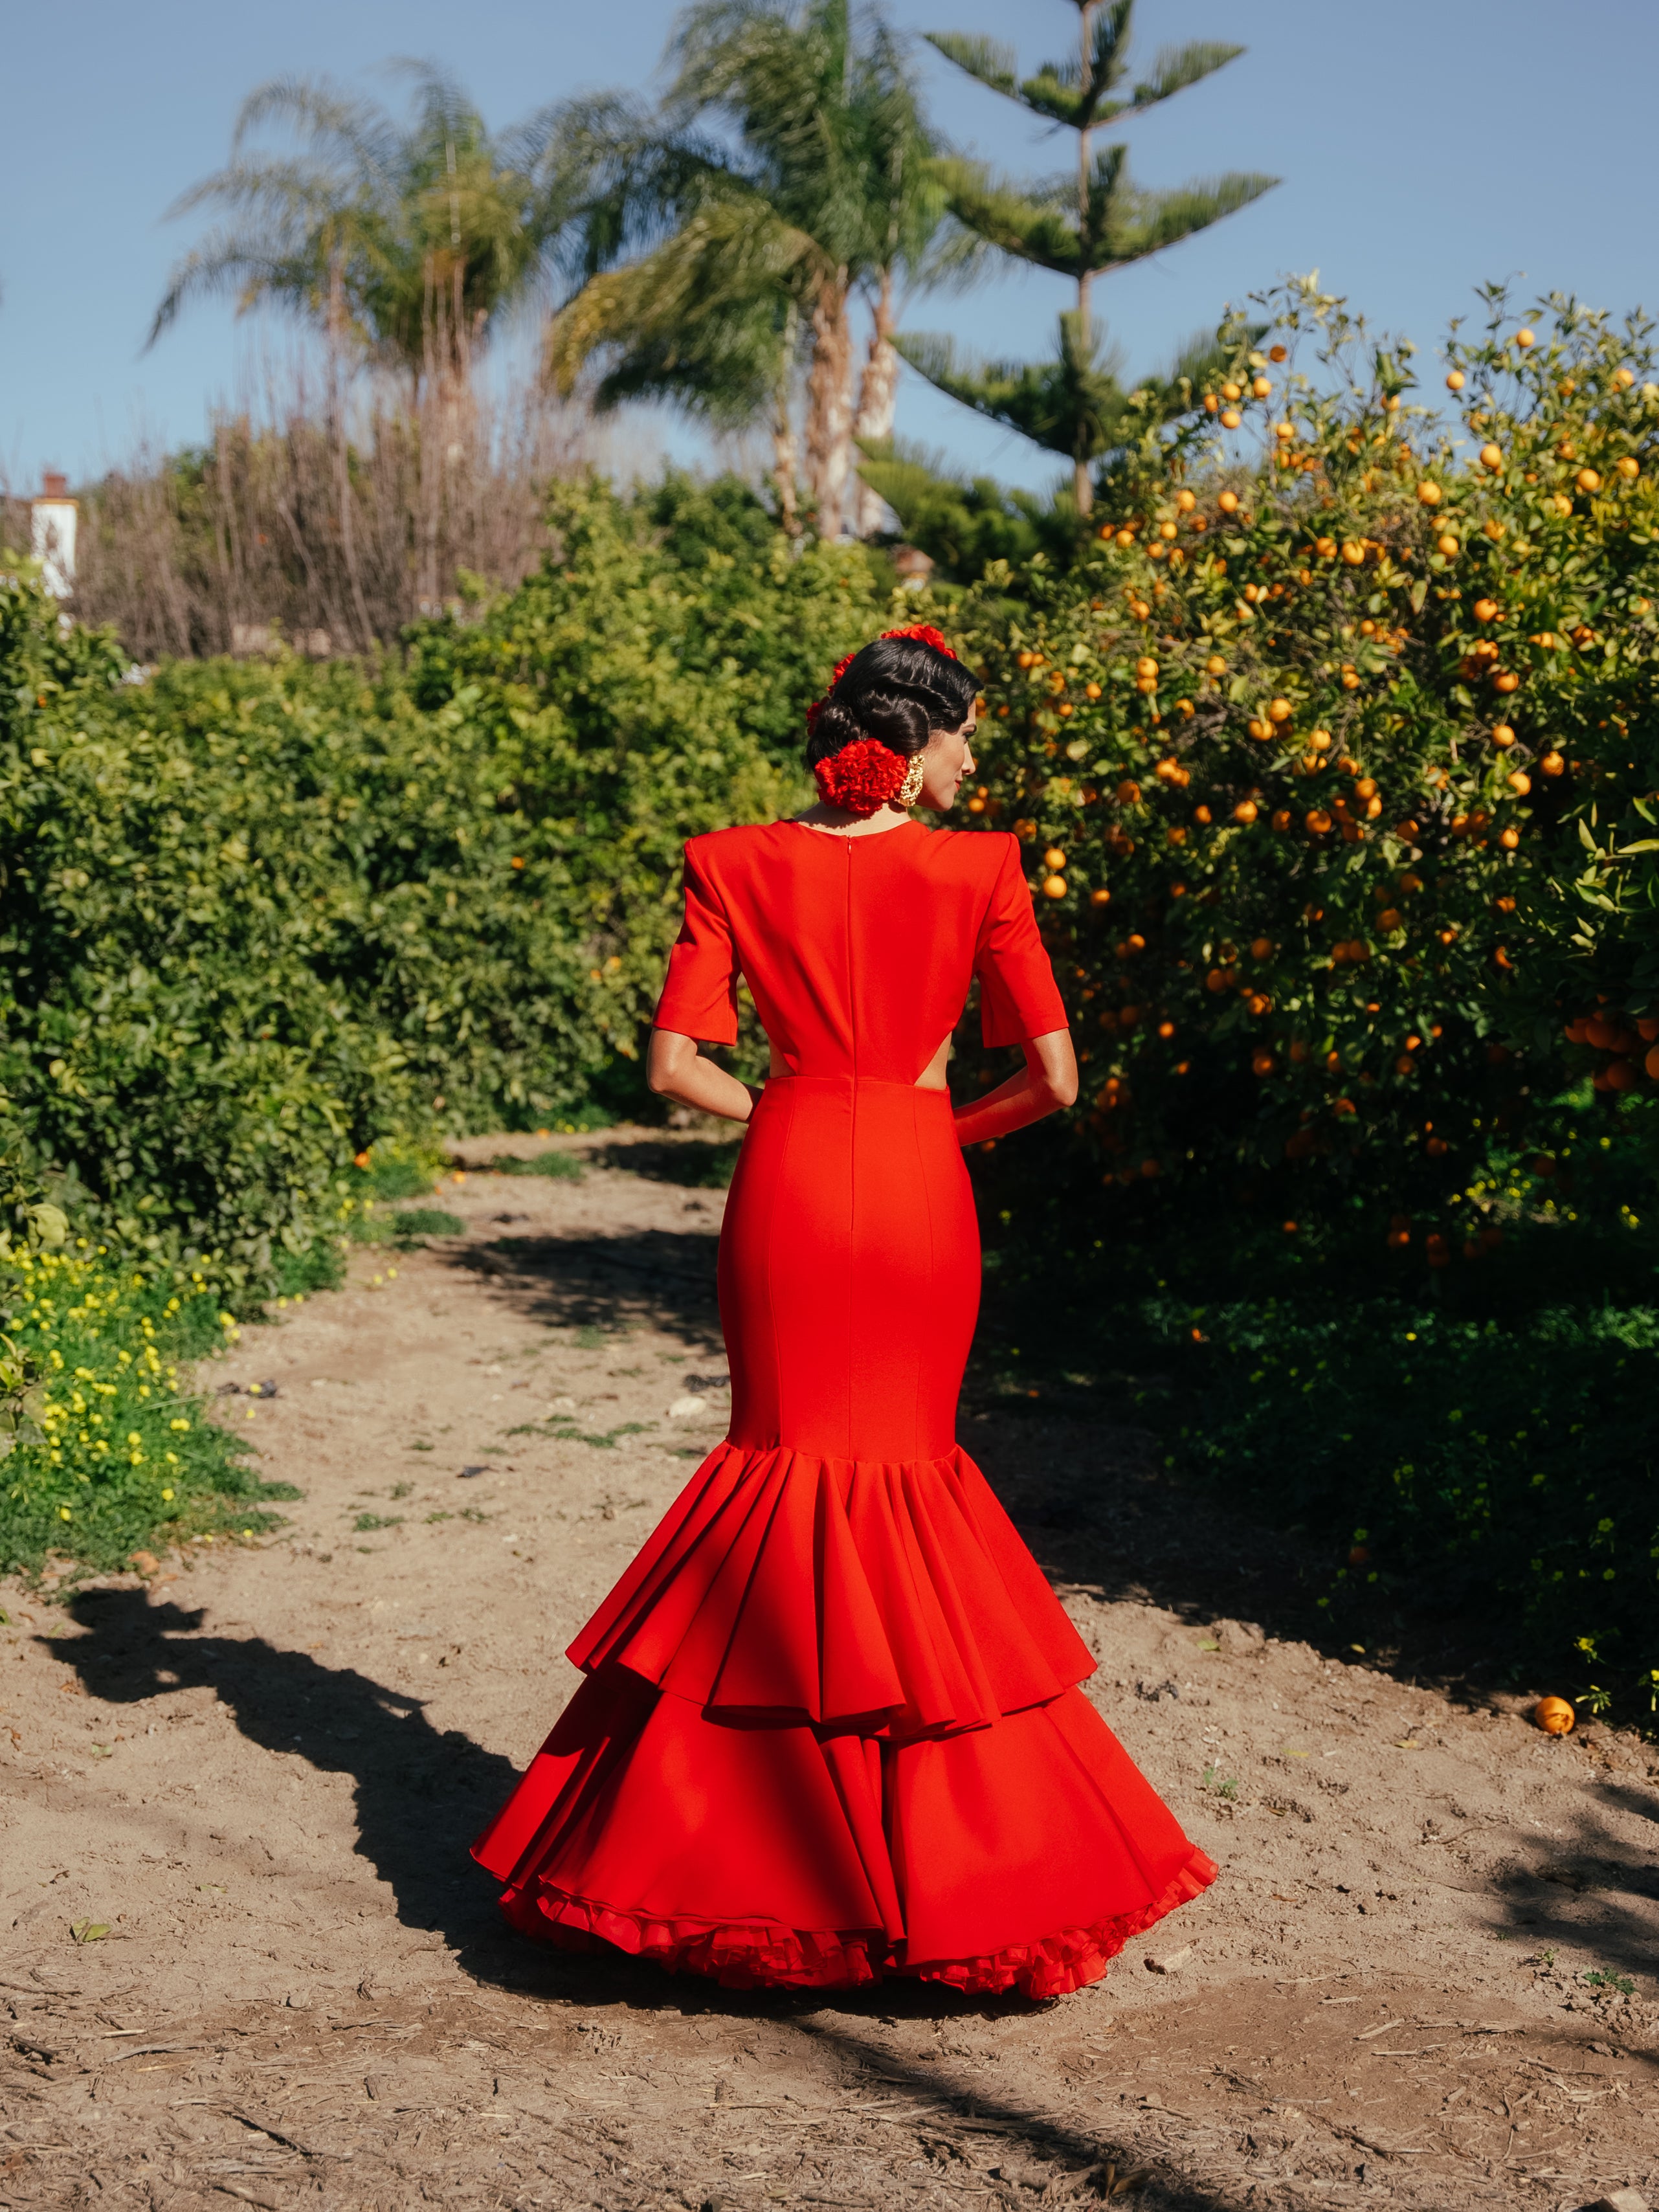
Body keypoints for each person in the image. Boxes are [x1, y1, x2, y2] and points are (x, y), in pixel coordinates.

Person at [473, 625, 1216, 1997]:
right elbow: (1051, 1074)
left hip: (790, 1185)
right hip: (923, 1190)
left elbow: (671, 1066)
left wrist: (791, 1113)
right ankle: (964, 1876)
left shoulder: (728, 859)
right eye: (969, 734)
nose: (977, 759)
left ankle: (715, 1862)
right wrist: (937, 1128)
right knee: (910, 1485)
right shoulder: (982, 865)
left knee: (778, 1479)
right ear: (920, 746)